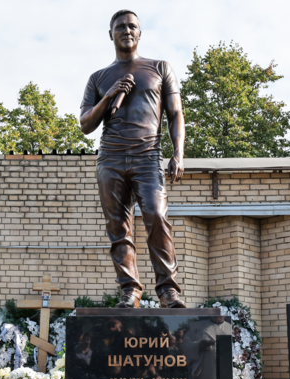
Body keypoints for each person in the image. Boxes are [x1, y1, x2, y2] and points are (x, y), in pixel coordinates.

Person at [79, 9, 186, 309]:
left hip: (147, 157)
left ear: (140, 33)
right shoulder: (98, 78)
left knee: (157, 217)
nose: (126, 30)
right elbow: (85, 124)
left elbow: (176, 114)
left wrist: (178, 153)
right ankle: (130, 290)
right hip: (111, 159)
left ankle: (168, 291)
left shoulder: (160, 68)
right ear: (110, 34)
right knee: (118, 227)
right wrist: (109, 95)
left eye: (132, 26)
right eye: (120, 27)